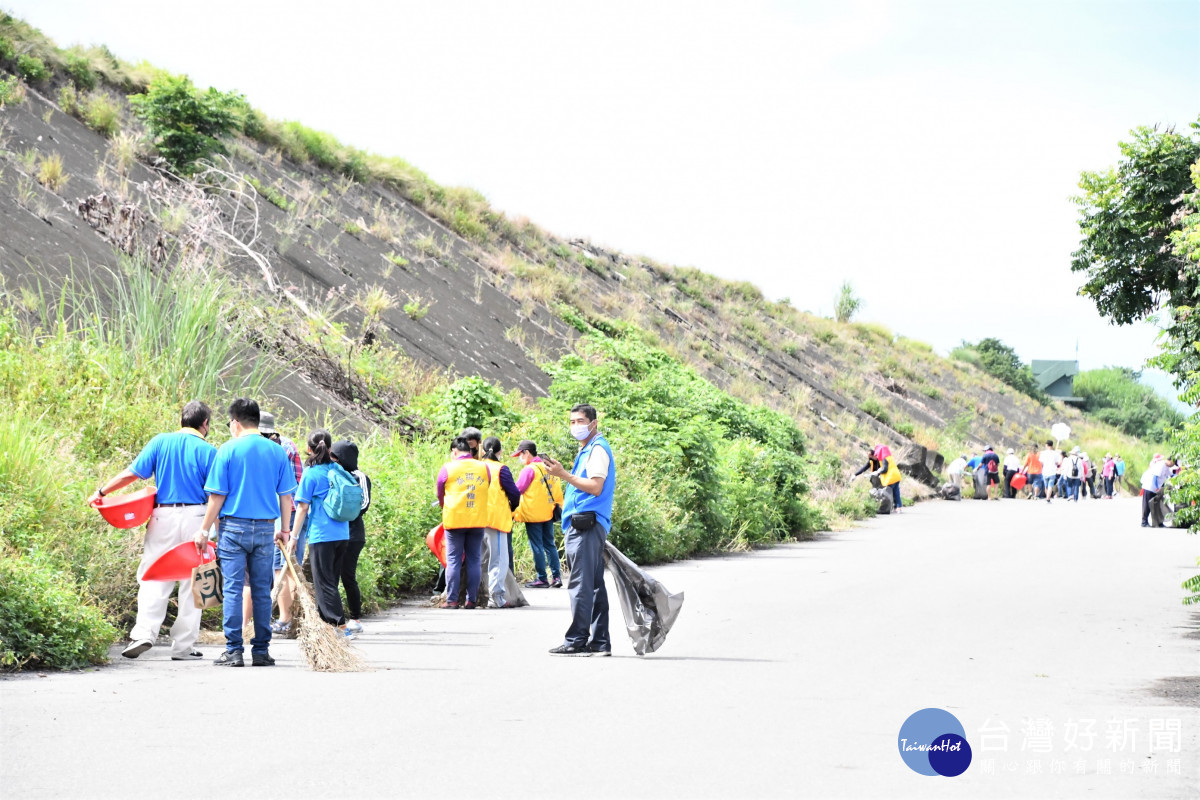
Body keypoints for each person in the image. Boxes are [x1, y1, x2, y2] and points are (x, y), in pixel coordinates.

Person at [90, 400, 217, 661]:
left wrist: (102, 492)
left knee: (154, 574)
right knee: (196, 581)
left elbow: (131, 474)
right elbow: (218, 494)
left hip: (163, 515)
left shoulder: (160, 442)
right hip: (198, 518)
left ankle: (144, 634)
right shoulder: (209, 451)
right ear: (205, 424)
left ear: (182, 420)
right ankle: (183, 647)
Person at [194, 398, 296, 667]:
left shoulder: (227, 450)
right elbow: (286, 496)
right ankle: (261, 651)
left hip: (233, 529)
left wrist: (204, 530)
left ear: (235, 423)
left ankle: (234, 650)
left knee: (234, 589)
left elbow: (217, 497)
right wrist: (285, 530)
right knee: (262, 590)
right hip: (265, 529)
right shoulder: (277, 451)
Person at [543, 403, 615, 656]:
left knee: (581, 584)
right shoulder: (588, 450)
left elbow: (595, 486)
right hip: (587, 523)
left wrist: (563, 474)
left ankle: (576, 640)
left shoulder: (597, 450)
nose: (576, 426)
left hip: (586, 524)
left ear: (593, 423)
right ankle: (599, 642)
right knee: (593, 584)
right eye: (572, 421)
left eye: (581, 421)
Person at [290, 430, 352, 635]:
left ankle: (340, 625)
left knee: (324, 582)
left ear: (309, 449)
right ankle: (327, 626)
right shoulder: (337, 469)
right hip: (342, 533)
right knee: (331, 581)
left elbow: (302, 508)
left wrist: (293, 536)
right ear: (330, 448)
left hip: (322, 535)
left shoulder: (311, 473)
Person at [436, 436, 491, 609]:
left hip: (455, 520)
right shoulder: (484, 467)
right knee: (474, 559)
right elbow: (486, 486)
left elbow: (440, 492)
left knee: (453, 560)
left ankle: (452, 600)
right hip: (477, 519)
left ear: (454, 451)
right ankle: (471, 600)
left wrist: (445, 505)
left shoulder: (448, 468)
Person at [513, 440, 564, 588]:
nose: (519, 458)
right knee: (550, 544)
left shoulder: (529, 470)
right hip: (549, 512)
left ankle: (542, 578)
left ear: (526, 453)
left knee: (537, 546)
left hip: (533, 514)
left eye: (520, 454)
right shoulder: (549, 467)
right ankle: (557, 577)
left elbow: (518, 490)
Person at [333, 440, 371, 633]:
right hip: (333, 534)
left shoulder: (359, 477)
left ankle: (355, 617)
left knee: (347, 576)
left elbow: (364, 504)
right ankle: (335, 618)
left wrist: (342, 513)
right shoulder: (331, 474)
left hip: (353, 534)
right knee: (331, 578)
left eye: (336, 457)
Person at [481, 437, 520, 607]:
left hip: (474, 519)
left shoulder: (476, 467)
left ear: (483, 451)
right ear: (500, 451)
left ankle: (475, 596)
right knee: (498, 560)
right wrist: (512, 507)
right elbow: (515, 494)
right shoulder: (501, 469)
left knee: (479, 560)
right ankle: (495, 598)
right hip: (496, 519)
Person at [1140, 454, 1168, 528]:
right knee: (1147, 505)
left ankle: (1158, 522)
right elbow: (1154, 477)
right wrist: (1156, 487)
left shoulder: (1162, 465)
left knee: (1157, 505)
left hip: (1156, 488)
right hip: (1149, 486)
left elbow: (1166, 476)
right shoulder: (1155, 464)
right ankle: (1144, 522)